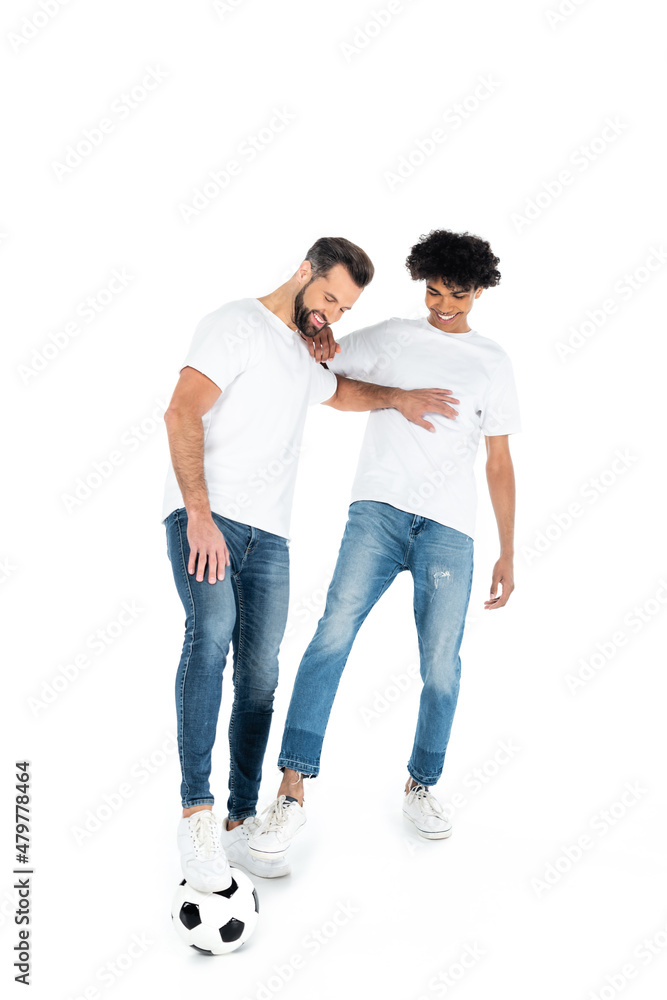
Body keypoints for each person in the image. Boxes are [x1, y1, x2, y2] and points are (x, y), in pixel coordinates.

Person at [161, 236, 460, 891]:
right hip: (205, 518)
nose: (330, 314)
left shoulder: (301, 351)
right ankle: (197, 818)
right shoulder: (235, 323)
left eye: (344, 308)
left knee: (261, 678)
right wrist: (199, 513)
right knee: (209, 639)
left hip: (269, 539)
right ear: (301, 272)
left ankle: (241, 822)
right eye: (326, 297)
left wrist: (398, 400)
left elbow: (339, 390)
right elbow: (181, 410)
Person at [247, 229, 521, 862]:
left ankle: (421, 785)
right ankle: (291, 791)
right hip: (378, 513)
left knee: (442, 667)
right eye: (432, 293)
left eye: (457, 295)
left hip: (450, 530)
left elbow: (499, 461)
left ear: (480, 291)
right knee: (332, 635)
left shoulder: (493, 363)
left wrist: (508, 549)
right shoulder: (398, 336)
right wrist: (320, 340)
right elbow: (327, 357)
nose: (443, 306)